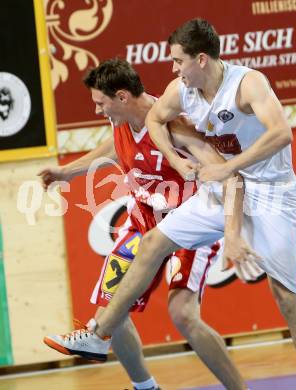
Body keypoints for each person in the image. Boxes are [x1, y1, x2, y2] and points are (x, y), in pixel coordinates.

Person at [63, 19, 296, 389]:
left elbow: (282, 133)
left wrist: (228, 171)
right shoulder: (182, 90)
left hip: (271, 191)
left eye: (178, 61)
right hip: (223, 186)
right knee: (154, 242)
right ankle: (100, 333)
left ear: (201, 59)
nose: (172, 69)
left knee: (286, 299)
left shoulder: (247, 83)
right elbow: (156, 119)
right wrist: (178, 162)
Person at [40, 58, 251, 390]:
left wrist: (234, 230)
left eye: (100, 102)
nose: (97, 110)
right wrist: (68, 171)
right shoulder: (120, 120)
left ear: (122, 97)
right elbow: (114, 147)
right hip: (142, 221)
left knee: (182, 315)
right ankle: (145, 387)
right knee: (113, 305)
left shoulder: (173, 124)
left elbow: (227, 175)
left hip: (185, 227)